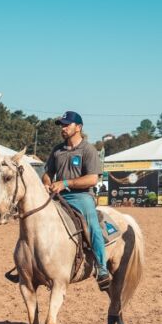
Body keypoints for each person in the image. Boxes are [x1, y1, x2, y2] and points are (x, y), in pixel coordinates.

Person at [43, 110, 110, 290]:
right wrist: (48, 184)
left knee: (92, 226)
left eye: (67, 125)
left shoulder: (88, 150)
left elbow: (93, 179)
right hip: (58, 196)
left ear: (78, 127)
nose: (63, 128)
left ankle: (102, 267)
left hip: (81, 197)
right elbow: (48, 173)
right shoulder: (57, 150)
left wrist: (65, 182)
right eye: (62, 125)